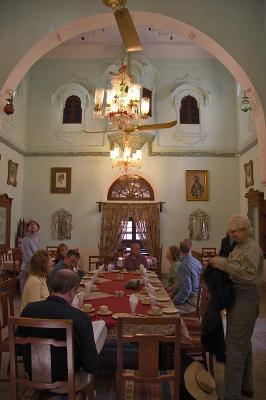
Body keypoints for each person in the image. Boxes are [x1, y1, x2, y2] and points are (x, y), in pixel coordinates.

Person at [17, 269, 100, 394]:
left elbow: (18, 349)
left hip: (34, 377)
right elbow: (91, 365)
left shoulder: (28, 310)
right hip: (67, 382)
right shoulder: (80, 318)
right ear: (72, 292)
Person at [208, 215, 263, 400]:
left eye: (234, 231)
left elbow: (247, 273)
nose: (231, 235)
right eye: (230, 232)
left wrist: (221, 262)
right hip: (237, 298)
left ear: (246, 229)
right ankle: (246, 387)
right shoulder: (240, 247)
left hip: (245, 299)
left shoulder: (252, 248)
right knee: (243, 344)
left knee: (234, 347)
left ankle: (231, 395)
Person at [172, 239, 202, 313]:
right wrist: (173, 293)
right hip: (199, 299)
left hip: (191, 302)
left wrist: (173, 302)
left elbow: (186, 290)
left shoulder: (183, 265)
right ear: (191, 247)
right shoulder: (197, 262)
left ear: (180, 249)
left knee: (167, 310)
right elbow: (182, 284)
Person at [20, 219, 40, 293]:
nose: (33, 226)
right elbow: (29, 257)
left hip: (35, 268)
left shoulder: (36, 238)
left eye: (35, 224)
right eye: (30, 224)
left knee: (33, 292)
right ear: (27, 228)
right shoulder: (25, 240)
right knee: (26, 293)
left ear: (37, 227)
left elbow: (37, 254)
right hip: (27, 269)